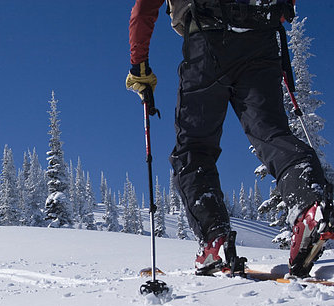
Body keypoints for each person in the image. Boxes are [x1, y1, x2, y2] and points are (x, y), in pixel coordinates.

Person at [126, 0, 333, 277]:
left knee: (194, 149)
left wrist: (139, 64)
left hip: (207, 39)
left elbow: (144, 8)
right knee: (271, 133)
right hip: (261, 36)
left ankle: (215, 241)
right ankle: (309, 205)